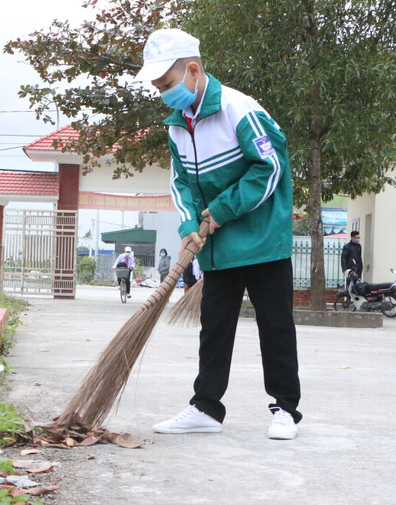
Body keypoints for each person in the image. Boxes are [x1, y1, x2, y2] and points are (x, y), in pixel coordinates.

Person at [134, 28, 301, 440]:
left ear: (192, 70)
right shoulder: (177, 127)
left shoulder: (238, 110)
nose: (164, 93)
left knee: (275, 325)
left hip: (263, 239)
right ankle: (206, 408)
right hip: (217, 246)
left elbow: (270, 167)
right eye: (158, 88)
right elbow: (181, 183)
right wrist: (189, 224)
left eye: (167, 84)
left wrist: (222, 211)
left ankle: (285, 409)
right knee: (214, 326)